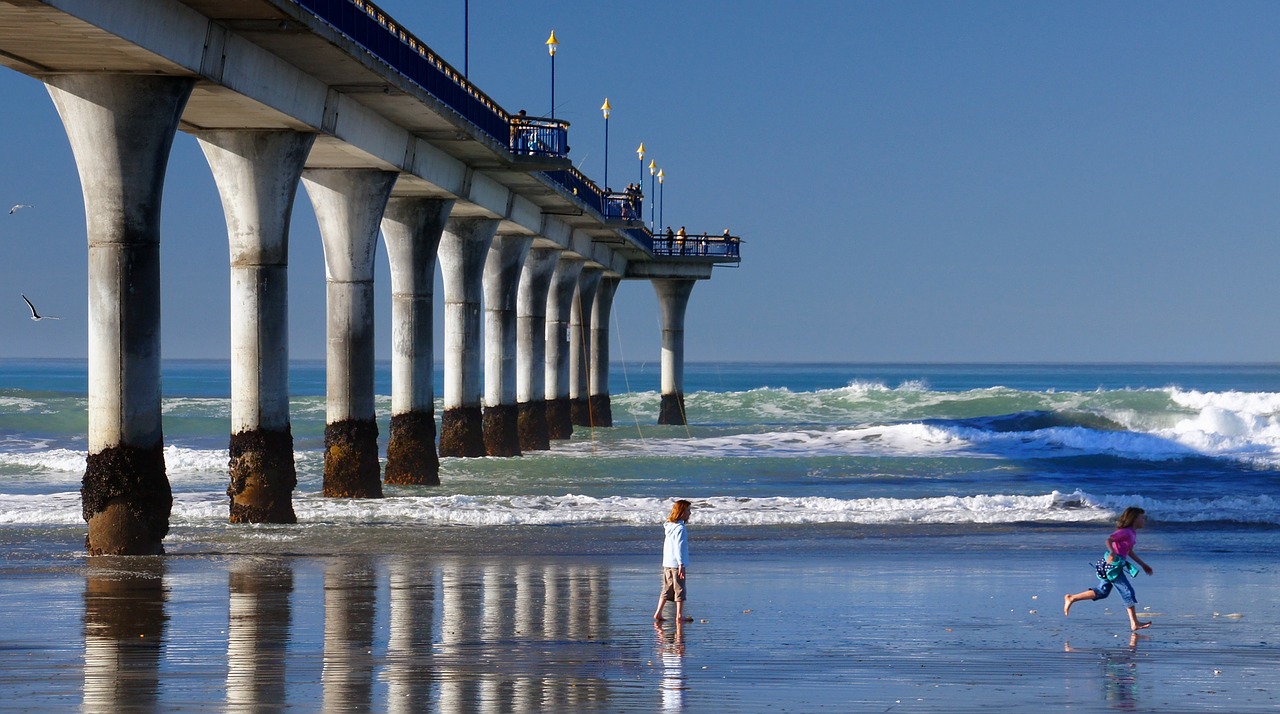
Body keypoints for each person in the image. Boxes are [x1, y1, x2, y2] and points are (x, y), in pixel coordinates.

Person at [1064, 506, 1155, 631]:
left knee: (1103, 592)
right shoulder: (1125, 531)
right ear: (1134, 519)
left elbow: (1129, 551)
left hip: (1114, 565)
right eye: (1142, 518)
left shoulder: (1132, 533)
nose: (1144, 520)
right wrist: (1112, 551)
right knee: (1127, 592)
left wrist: (1143, 565)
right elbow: (1109, 539)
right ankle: (1134, 623)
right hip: (1112, 566)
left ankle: (1072, 598)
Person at [653, 499, 693, 622]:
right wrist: (681, 563)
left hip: (667, 563)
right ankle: (679, 615)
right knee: (680, 589)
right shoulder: (680, 528)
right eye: (688, 510)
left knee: (666, 588)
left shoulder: (670, 526)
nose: (690, 513)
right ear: (681, 512)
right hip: (676, 564)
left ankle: (658, 613)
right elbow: (679, 547)